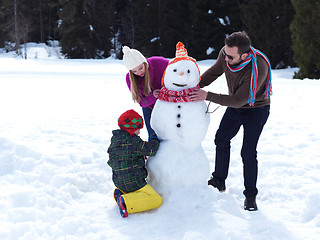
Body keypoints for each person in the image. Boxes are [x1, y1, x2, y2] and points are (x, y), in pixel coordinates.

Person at [189, 31, 272, 211]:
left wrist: (207, 95)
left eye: (230, 56)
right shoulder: (226, 54)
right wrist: (195, 86)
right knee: (221, 139)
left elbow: (238, 100)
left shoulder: (258, 68)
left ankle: (250, 196)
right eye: (225, 54)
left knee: (247, 153)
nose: (226, 58)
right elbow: (215, 71)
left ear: (244, 55)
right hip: (236, 107)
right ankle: (219, 180)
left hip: (256, 109)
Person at [107, 109, 163, 218]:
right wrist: (155, 139)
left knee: (130, 185)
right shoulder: (134, 142)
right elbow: (151, 150)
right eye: (138, 129)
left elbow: (125, 155)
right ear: (131, 129)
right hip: (134, 182)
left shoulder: (115, 141)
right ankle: (126, 202)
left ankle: (122, 193)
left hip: (118, 181)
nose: (139, 132)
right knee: (156, 200)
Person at [122, 46, 169, 140]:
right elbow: (141, 103)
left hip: (169, 103)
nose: (139, 72)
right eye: (134, 71)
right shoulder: (130, 79)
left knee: (169, 135)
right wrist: (154, 96)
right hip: (150, 108)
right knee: (154, 137)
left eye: (140, 68)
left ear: (144, 62)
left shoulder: (158, 63)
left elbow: (177, 70)